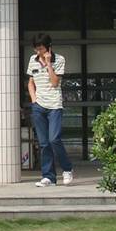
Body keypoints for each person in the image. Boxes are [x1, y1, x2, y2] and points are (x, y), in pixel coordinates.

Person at [27, 34, 72, 187]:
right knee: (44, 143)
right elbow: (31, 82)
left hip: (54, 106)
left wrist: (48, 64)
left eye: (41, 48)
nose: (38, 51)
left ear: (49, 47)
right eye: (36, 48)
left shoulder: (59, 59)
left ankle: (67, 169)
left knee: (54, 139)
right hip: (38, 106)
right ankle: (49, 177)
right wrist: (34, 100)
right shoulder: (32, 60)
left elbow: (54, 83)